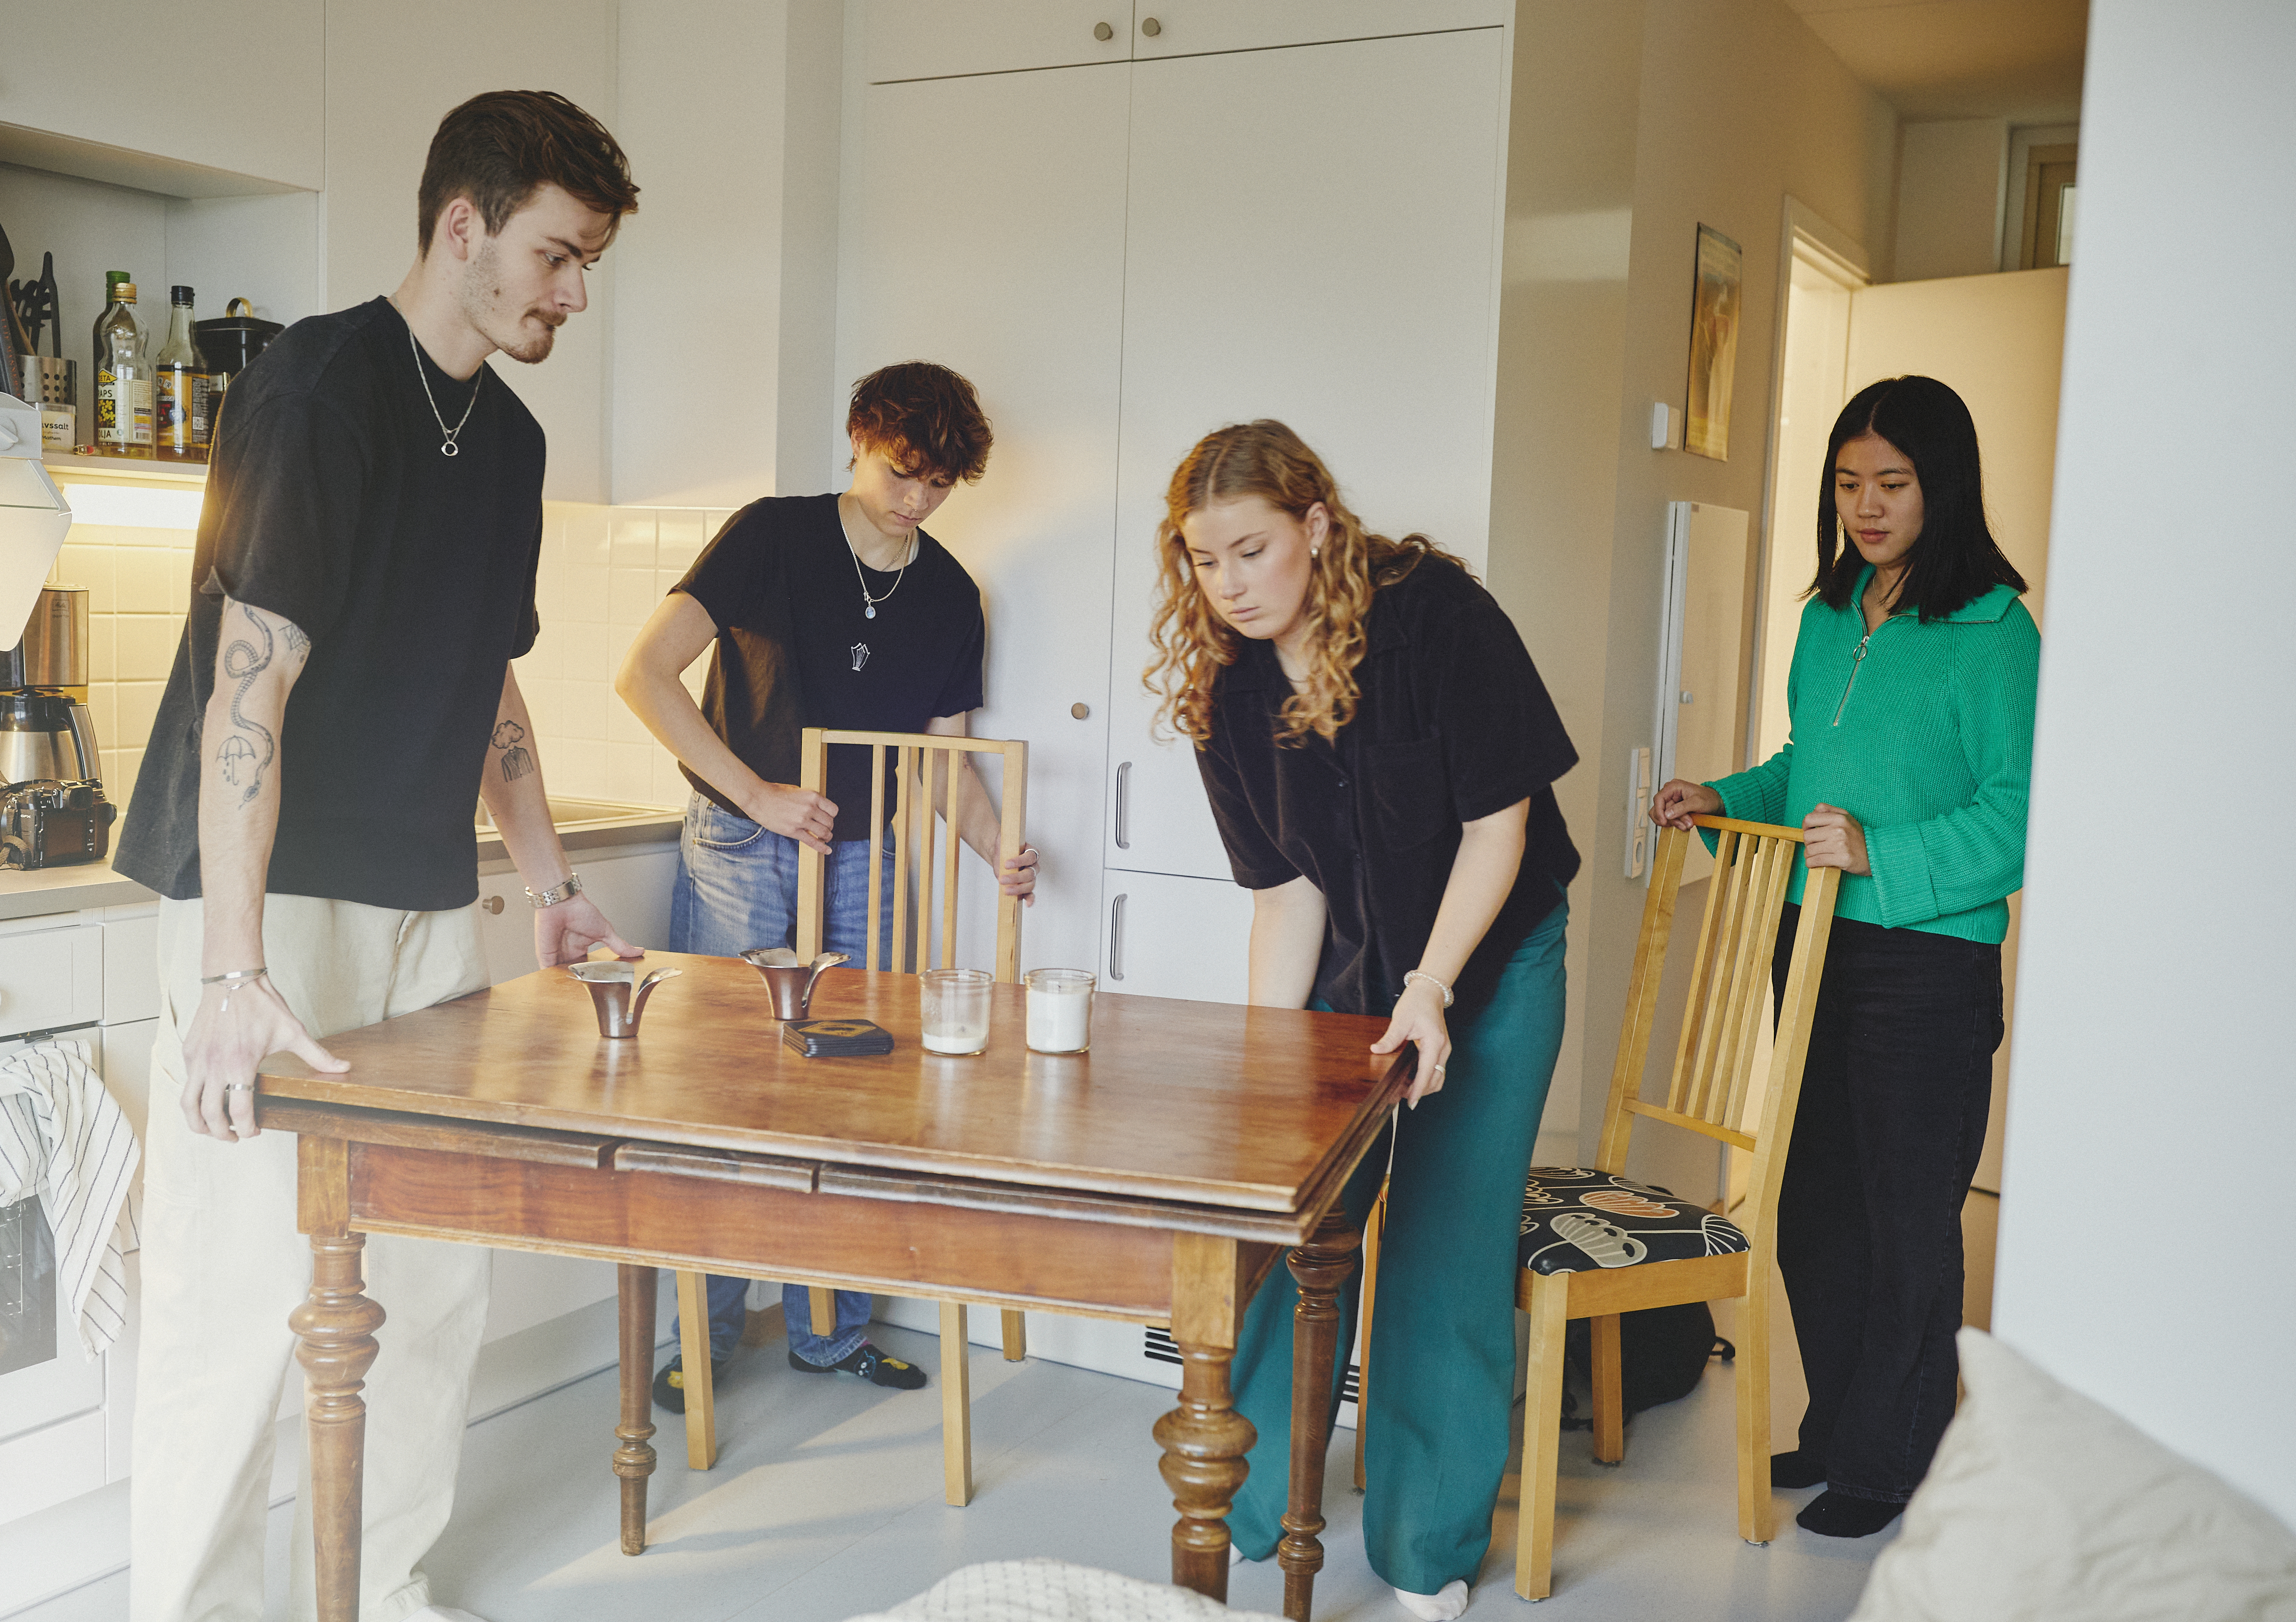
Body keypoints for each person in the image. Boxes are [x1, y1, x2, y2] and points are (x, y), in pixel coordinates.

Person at [112, 91, 640, 1622]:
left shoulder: (515, 443)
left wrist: (552, 889)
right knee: (228, 1295)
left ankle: (374, 1581)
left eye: (590, 262)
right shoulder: (318, 389)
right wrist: (231, 966)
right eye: (557, 254)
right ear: (462, 224)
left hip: (422, 903)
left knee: (427, 1286)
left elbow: (492, 683)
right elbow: (248, 680)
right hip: (264, 909)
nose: (574, 294)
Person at [1144, 420, 1580, 1620]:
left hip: (1489, 966)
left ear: (1317, 527)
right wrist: (1261, 1065)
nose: (1227, 584)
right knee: (1293, 1218)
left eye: (1251, 549)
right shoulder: (1225, 686)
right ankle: (1238, 1503)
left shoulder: (1438, 619)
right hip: (1352, 967)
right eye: (1203, 557)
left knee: (1445, 1246)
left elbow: (1505, 829)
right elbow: (1289, 892)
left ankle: (1426, 1554)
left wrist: (1432, 990)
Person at [1652, 374, 2038, 1539]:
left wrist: (1881, 852)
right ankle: (1840, 1427)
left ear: (1944, 487)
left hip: (1927, 969)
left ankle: (1891, 1462)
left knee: (1908, 1216)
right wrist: (1721, 796)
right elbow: (1800, 774)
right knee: (1815, 1204)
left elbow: (2018, 819)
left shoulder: (1997, 635)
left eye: (1894, 484)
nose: (1866, 507)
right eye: (1848, 483)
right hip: (1810, 944)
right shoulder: (1829, 617)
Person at [613, 360, 1037, 1413]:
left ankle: (830, 1335)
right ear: (859, 439)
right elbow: (645, 677)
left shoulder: (950, 595)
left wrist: (999, 852)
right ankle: (698, 1344)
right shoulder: (771, 535)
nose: (918, 499)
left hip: (866, 856)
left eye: (941, 484)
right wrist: (757, 795)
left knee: (853, 1094)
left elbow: (945, 763)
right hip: (739, 842)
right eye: (904, 472)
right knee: (721, 1089)